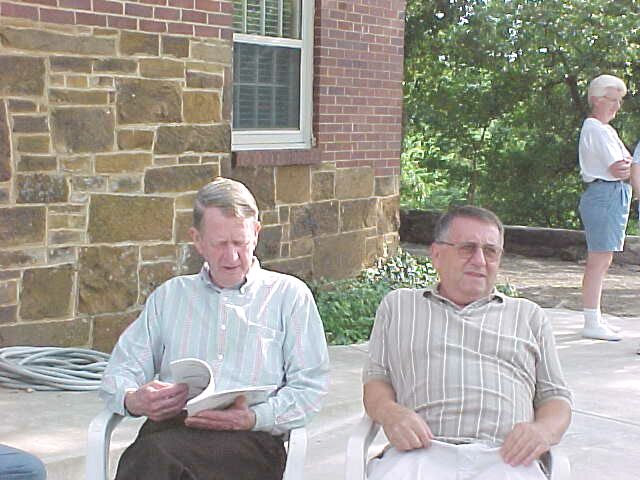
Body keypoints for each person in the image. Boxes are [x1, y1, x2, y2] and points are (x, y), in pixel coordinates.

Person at [100, 177, 330, 480]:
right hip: (173, 429)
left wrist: (254, 417)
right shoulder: (170, 297)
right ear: (197, 240)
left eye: (240, 243)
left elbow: (309, 390)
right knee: (155, 455)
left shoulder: (289, 296)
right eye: (220, 244)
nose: (232, 257)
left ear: (256, 233)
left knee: (154, 459)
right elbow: (119, 372)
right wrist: (134, 398)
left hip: (249, 437)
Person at [363, 206, 573, 480]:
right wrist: (390, 413)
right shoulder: (399, 306)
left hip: (507, 457)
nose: (480, 261)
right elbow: (376, 380)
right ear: (437, 255)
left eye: (490, 251)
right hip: (420, 452)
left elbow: (556, 398)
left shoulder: (528, 316)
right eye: (467, 248)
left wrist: (542, 431)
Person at [577, 74, 632, 341]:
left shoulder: (606, 130)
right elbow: (620, 167)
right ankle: (591, 320)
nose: (616, 106)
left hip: (610, 194)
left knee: (603, 258)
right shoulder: (596, 129)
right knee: (598, 260)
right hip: (605, 193)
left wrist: (628, 166)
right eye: (612, 100)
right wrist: (628, 166)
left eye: (619, 101)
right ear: (597, 100)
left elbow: (628, 163)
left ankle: (595, 316)